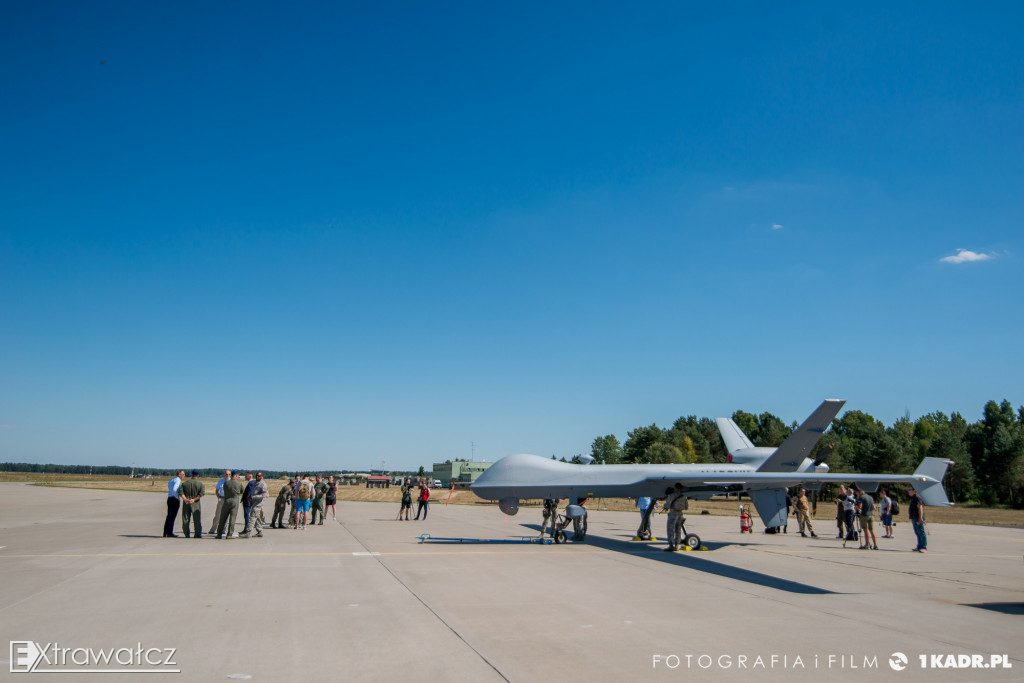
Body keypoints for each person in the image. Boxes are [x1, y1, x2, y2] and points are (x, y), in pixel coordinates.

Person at [216, 470, 244, 539]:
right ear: (236, 475)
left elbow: (224, 490)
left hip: (226, 500)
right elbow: (242, 491)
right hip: (234, 501)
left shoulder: (226, 483)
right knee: (232, 518)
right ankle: (229, 534)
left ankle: (219, 533)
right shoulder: (239, 484)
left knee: (223, 518)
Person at [179, 469, 205, 538]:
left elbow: (181, 492)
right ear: (198, 475)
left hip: (186, 502)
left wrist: (185, 499)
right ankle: (197, 534)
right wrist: (193, 499)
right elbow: (201, 494)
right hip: (195, 502)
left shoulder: (184, 483)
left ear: (191, 475)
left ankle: (186, 533)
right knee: (196, 519)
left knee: (186, 518)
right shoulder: (200, 484)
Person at [241, 472, 268, 538]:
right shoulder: (255, 483)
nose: (257, 477)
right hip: (253, 502)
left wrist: (254, 497)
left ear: (262, 476)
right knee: (257, 516)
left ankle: (248, 532)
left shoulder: (263, 484)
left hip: (258, 503)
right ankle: (260, 531)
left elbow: (263, 495)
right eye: (256, 475)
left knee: (252, 516)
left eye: (259, 476)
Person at [663, 484, 687, 552]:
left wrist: (665, 507)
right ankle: (677, 545)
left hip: (673, 512)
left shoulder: (671, 495)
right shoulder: (684, 496)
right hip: (680, 513)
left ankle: (671, 545)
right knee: (678, 529)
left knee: (670, 529)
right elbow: (686, 506)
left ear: (676, 488)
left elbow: (667, 505)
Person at [163, 469, 185, 537]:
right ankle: (169, 532)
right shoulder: (178, 480)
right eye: (183, 474)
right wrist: (176, 496)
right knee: (172, 516)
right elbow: (175, 489)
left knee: (169, 516)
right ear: (179, 475)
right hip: (174, 499)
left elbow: (170, 488)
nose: (184, 476)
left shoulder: (172, 480)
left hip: (169, 498)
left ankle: (166, 531)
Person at [208, 470, 230, 536]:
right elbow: (217, 490)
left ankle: (223, 530)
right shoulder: (221, 481)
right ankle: (213, 529)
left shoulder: (231, 481)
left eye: (229, 474)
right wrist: (218, 497)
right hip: (222, 498)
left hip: (228, 499)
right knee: (217, 515)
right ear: (224, 475)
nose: (227, 475)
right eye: (226, 474)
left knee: (226, 515)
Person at [908, 486, 927, 553]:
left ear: (914, 490)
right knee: (917, 533)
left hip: (917, 518)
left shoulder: (917, 498)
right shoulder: (913, 498)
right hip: (914, 518)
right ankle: (919, 546)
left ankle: (924, 547)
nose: (909, 491)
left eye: (910, 490)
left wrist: (920, 518)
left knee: (921, 533)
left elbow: (920, 508)